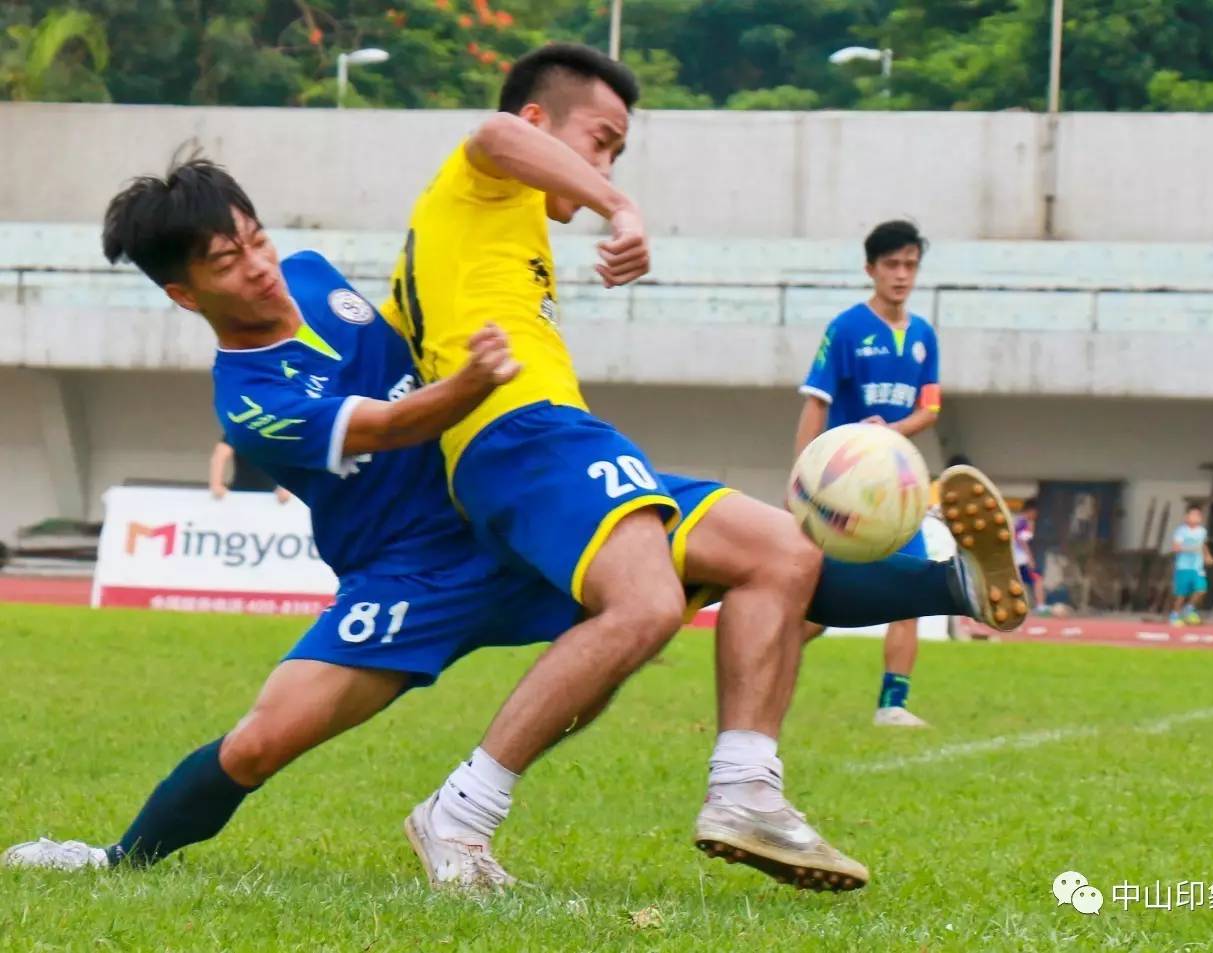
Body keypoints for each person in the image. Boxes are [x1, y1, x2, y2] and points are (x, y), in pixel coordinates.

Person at [3, 157, 1017, 894]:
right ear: (183, 292)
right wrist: (474, 377)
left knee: (760, 552)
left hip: (511, 499)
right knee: (262, 741)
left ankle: (957, 586)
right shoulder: (249, 398)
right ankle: (116, 857)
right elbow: (393, 421)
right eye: (228, 262)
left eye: (256, 237)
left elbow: (415, 316)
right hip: (408, 570)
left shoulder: (311, 273)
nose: (259, 266)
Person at [382, 43, 1028, 889]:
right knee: (647, 604)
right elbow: (493, 134)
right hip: (518, 438)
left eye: (618, 154)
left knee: (781, 550)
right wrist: (620, 205)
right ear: (538, 119)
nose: (606, 164)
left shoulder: (500, 234)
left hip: (566, 439)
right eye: (601, 140)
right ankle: (459, 813)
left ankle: (749, 787)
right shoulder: (481, 180)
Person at [793, 220, 1022, 727]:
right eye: (891, 265)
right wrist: (802, 480)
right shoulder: (847, 329)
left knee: (911, 590)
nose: (901, 275)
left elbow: (930, 409)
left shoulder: (923, 335)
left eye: (910, 265)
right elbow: (816, 402)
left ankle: (892, 705)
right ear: (870, 269)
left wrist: (888, 433)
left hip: (896, 488)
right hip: (842, 489)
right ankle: (765, 661)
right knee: (816, 604)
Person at [208, 435, 291, 503]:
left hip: (273, 498)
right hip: (239, 495)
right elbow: (219, 456)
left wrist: (287, 488)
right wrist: (216, 485)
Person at [1170, 504, 1213, 625]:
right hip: (1183, 567)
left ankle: (1188, 609)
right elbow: (1175, 547)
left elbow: (1203, 545)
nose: (1195, 518)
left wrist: (1207, 555)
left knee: (1201, 589)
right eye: (1192, 515)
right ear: (1186, 517)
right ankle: (1174, 615)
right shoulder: (1181, 531)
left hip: (1197, 567)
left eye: (1197, 516)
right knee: (1181, 594)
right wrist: (1190, 549)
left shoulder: (1202, 531)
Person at [1014, 498, 1046, 612]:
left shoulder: (1018, 520)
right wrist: (1030, 558)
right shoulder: (1024, 522)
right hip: (1021, 558)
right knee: (1037, 579)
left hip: (1017, 558)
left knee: (1020, 582)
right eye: (1036, 512)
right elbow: (1022, 541)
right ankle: (1040, 605)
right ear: (1031, 510)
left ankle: (1022, 605)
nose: (1036, 515)